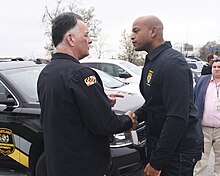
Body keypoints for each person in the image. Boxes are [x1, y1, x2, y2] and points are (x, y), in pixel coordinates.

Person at [37, 12, 137, 176]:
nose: (90, 40)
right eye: (86, 35)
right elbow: (105, 124)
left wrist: (100, 100)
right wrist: (128, 120)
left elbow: (67, 110)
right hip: (84, 166)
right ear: (71, 39)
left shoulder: (46, 73)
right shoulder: (81, 74)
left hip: (59, 165)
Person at [129, 15, 204, 176]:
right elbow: (154, 103)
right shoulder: (153, 61)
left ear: (153, 31)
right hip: (163, 145)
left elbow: (177, 117)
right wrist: (135, 115)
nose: (131, 36)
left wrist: (156, 163)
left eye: (136, 31)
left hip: (178, 151)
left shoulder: (172, 63)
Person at [194, 58, 220, 176]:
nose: (217, 69)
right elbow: (194, 98)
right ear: (211, 68)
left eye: (219, 67)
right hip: (204, 128)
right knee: (202, 158)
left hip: (219, 129)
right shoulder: (203, 81)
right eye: (214, 67)